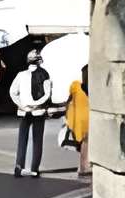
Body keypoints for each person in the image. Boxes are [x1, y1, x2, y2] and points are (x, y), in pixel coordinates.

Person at [9, 46, 56, 178]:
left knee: (22, 140)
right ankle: (34, 169)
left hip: (24, 111)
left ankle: (19, 166)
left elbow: (13, 92)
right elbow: (47, 94)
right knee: (37, 140)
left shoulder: (21, 75)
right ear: (39, 61)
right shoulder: (44, 74)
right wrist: (37, 104)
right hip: (38, 111)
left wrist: (22, 105)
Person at [65, 65, 90, 176]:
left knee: (82, 144)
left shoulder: (76, 87)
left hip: (76, 121)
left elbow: (68, 103)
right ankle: (84, 167)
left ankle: (82, 166)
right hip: (87, 120)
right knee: (86, 143)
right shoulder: (90, 90)